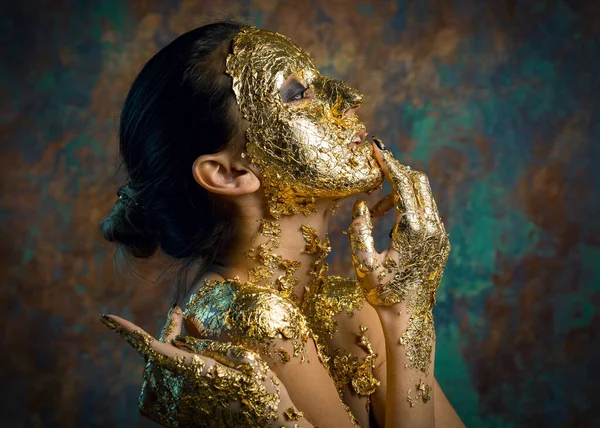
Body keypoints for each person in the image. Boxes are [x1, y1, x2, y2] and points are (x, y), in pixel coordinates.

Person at [99, 21, 464, 427]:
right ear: (228, 173)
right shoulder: (252, 319)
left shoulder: (334, 303)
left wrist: (404, 311)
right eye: (297, 94)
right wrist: (410, 316)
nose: (349, 97)